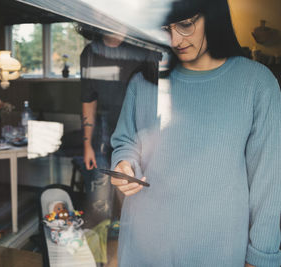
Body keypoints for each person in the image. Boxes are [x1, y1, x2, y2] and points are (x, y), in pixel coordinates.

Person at [110, 0, 281, 266]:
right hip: (142, 243)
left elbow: (269, 184)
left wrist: (261, 256)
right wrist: (124, 164)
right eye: (165, 28)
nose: (175, 38)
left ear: (213, 15)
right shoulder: (144, 80)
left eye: (186, 24)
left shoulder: (257, 84)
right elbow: (126, 141)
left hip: (217, 248)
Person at [79, 29, 160, 223]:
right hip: (103, 134)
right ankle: (101, 243)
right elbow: (88, 100)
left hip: (136, 133)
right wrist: (87, 144)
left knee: (133, 198)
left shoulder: (141, 49)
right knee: (99, 200)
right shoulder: (90, 53)